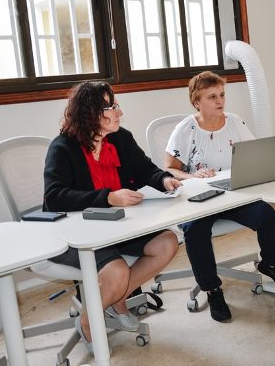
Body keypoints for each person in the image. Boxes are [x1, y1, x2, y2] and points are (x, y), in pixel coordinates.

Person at [44, 81, 181, 353]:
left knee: (168, 242)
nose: (119, 112)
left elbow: (146, 169)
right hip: (76, 234)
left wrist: (165, 180)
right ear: (91, 113)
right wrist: (107, 197)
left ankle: (115, 300)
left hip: (119, 227)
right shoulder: (63, 147)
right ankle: (88, 322)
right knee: (116, 270)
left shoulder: (120, 139)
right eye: (112, 106)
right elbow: (55, 197)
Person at [164, 71, 275, 322]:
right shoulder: (186, 129)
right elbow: (168, 168)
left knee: (266, 214)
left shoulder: (234, 122)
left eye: (222, 95)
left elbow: (256, 152)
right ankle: (212, 289)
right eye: (211, 96)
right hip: (199, 197)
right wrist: (193, 177)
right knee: (194, 230)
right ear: (196, 101)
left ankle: (270, 264)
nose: (219, 101)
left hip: (231, 192)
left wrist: (274, 161)